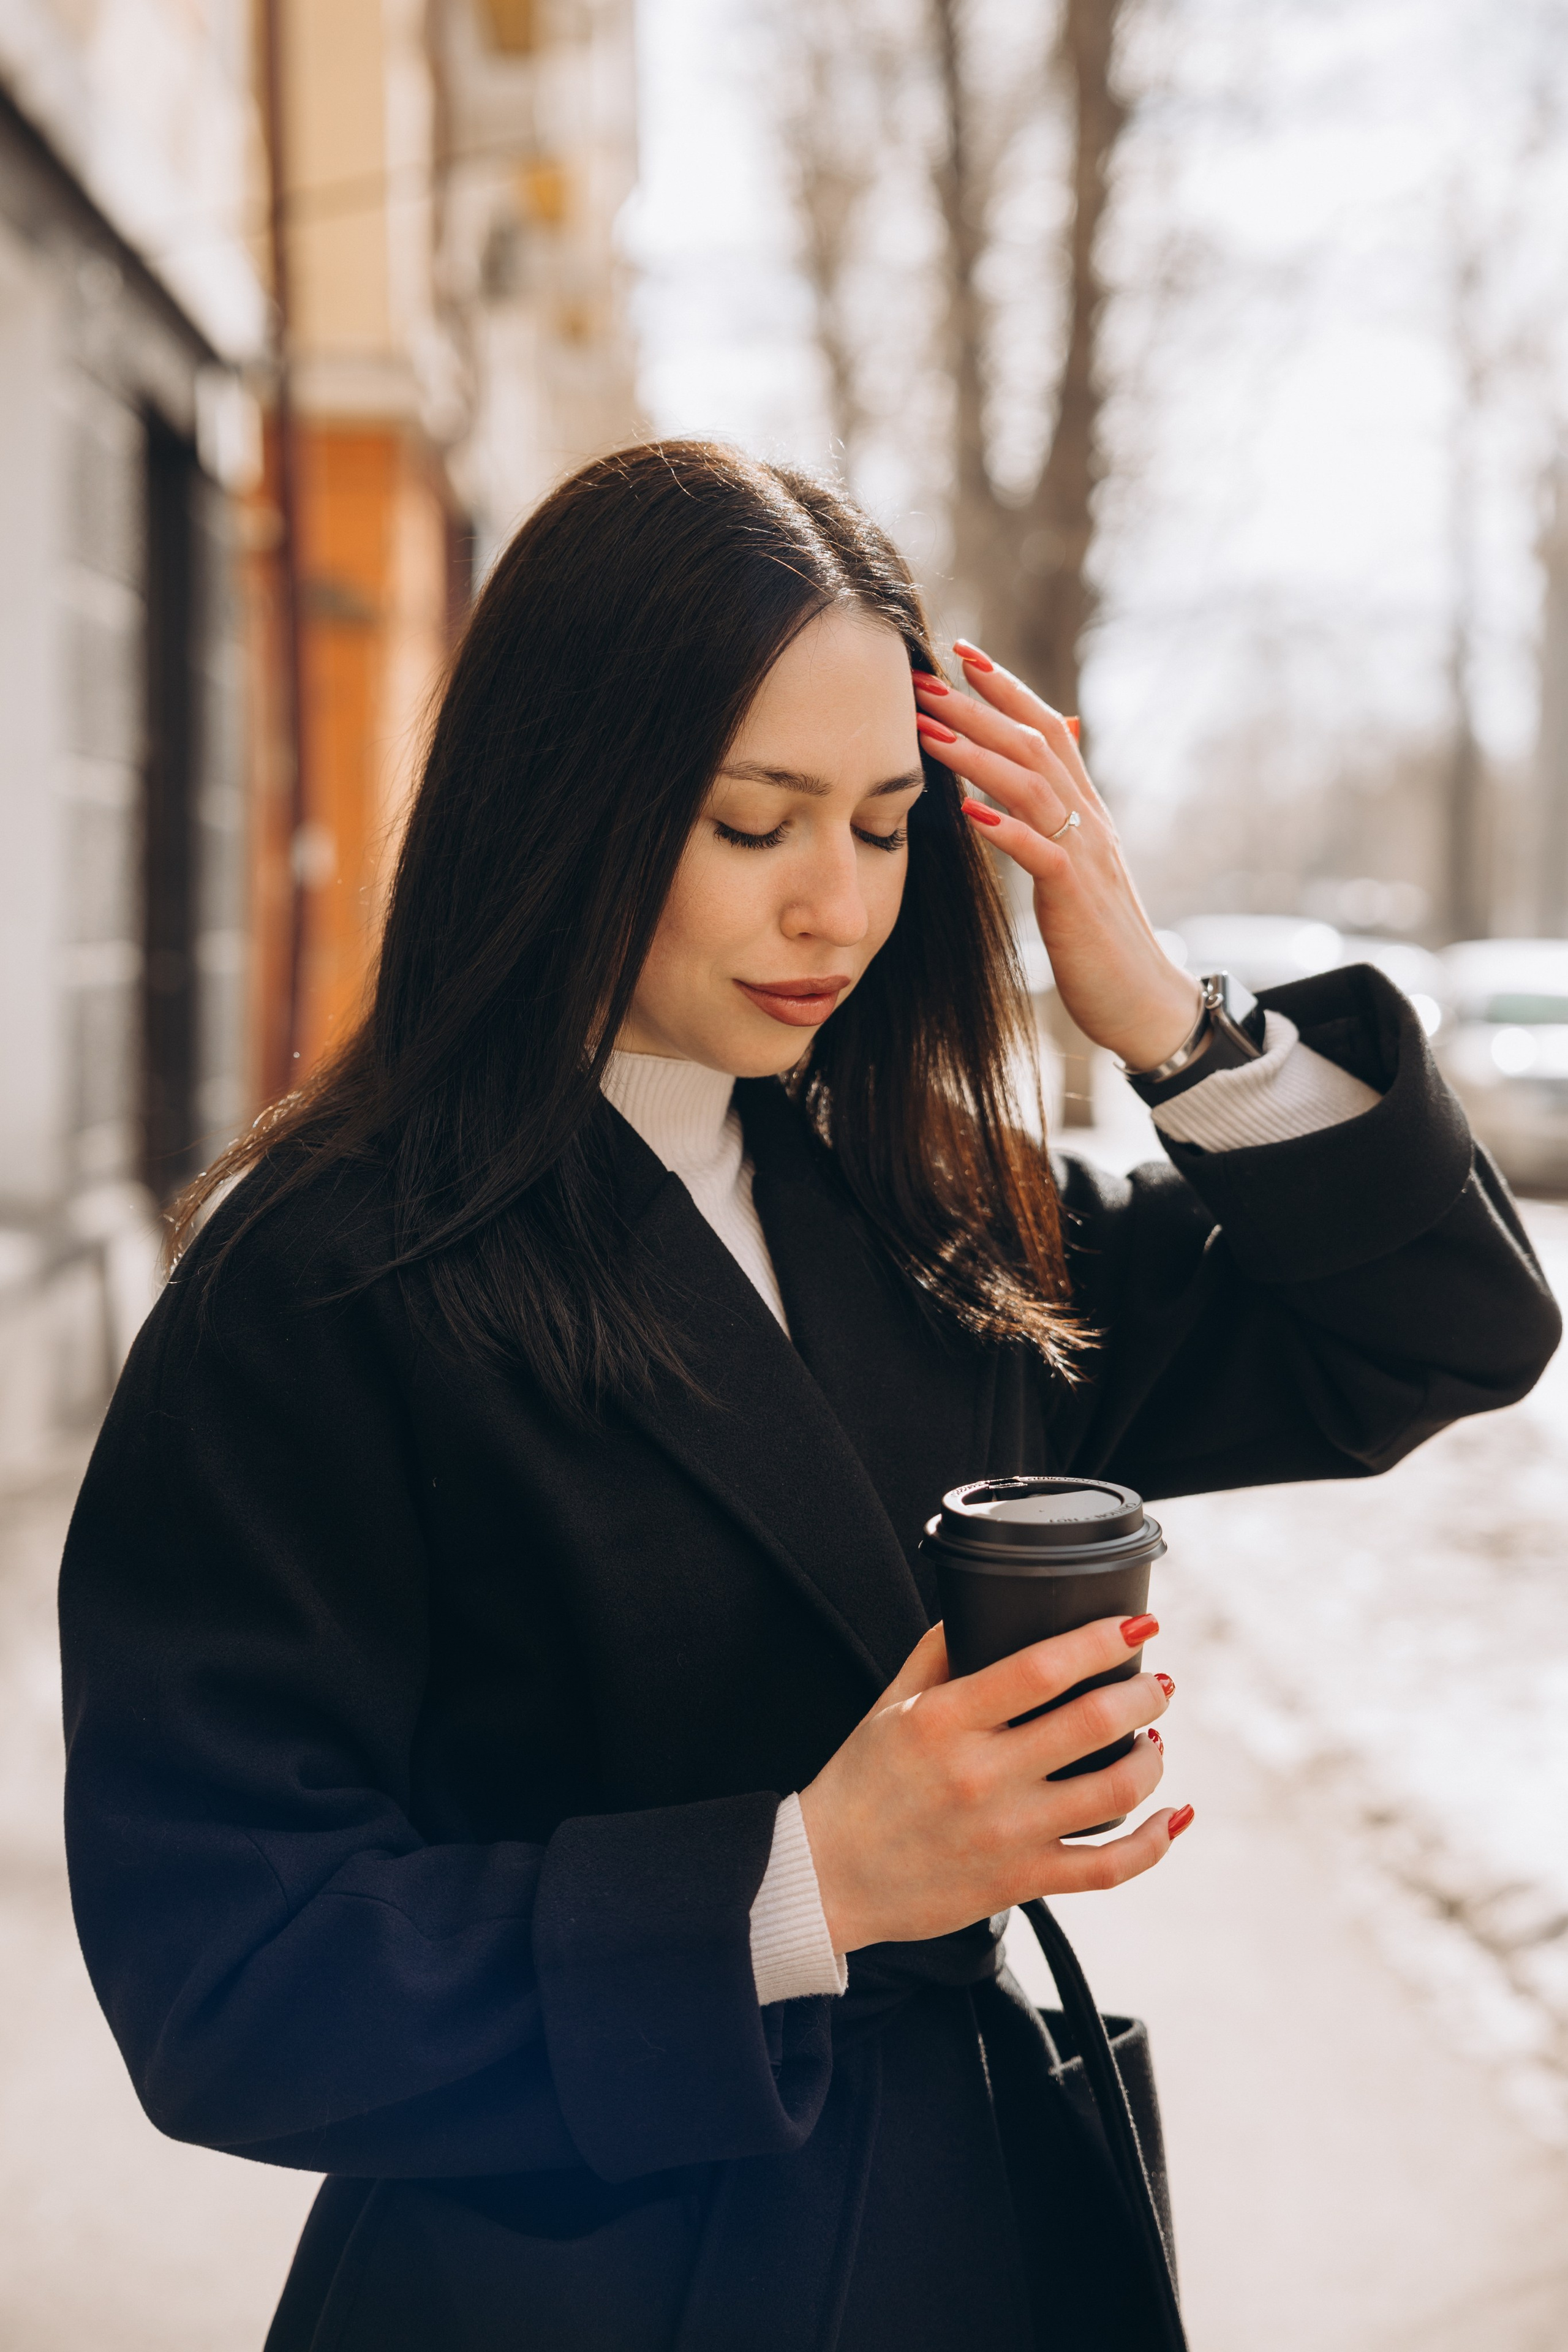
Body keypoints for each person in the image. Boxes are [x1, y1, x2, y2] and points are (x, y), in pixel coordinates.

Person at [59, 442, 1558, 2352]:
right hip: (573, 2284)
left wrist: (1172, 1023)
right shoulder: (331, 1273)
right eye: (754, 824)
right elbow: (229, 1972)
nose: (835, 909)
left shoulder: (931, 1208)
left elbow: (1442, 1332)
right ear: (567, 801)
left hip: (988, 2233)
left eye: (886, 824)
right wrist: (805, 1885)